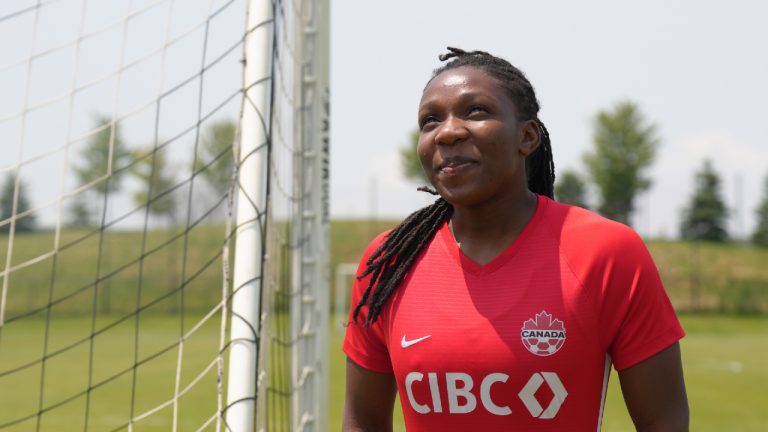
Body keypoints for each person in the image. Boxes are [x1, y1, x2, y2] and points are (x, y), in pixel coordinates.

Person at [342, 47, 688, 431]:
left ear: (526, 137)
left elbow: (664, 420)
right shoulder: (388, 262)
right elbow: (362, 421)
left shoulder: (606, 252)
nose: (448, 131)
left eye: (476, 111)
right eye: (430, 120)